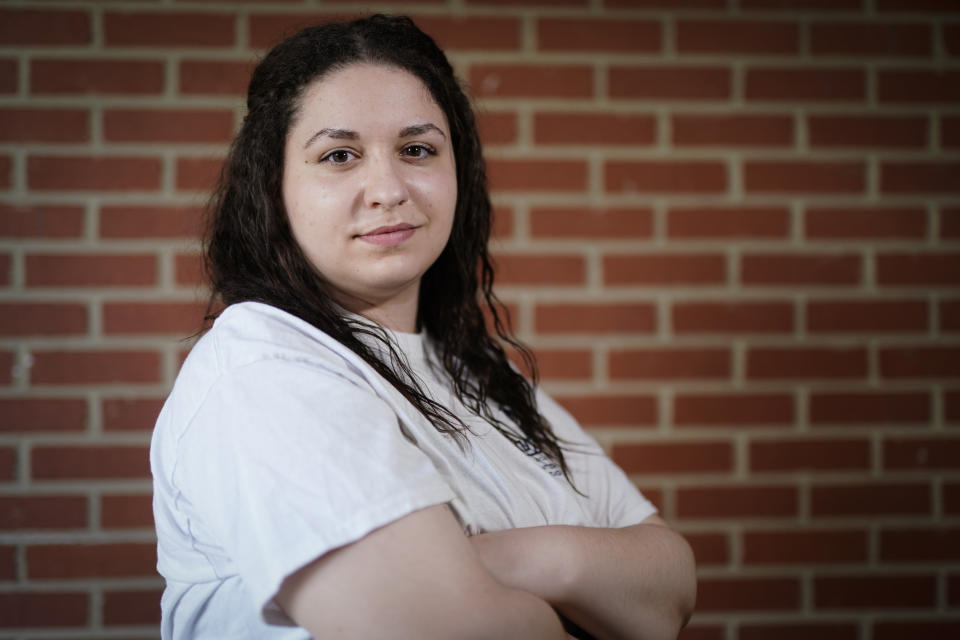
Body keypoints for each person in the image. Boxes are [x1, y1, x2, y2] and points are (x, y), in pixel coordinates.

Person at [150, 14, 696, 640]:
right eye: (339, 155)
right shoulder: (263, 369)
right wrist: (579, 590)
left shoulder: (479, 378)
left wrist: (525, 559)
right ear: (274, 187)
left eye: (417, 149)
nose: (387, 188)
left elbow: (670, 583)